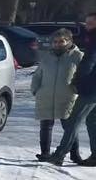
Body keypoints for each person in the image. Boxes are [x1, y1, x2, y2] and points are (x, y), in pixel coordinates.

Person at [45, 16, 96, 167]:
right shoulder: (90, 37)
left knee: (74, 120)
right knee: (92, 121)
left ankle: (59, 154)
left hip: (91, 87)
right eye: (86, 22)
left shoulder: (94, 39)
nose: (87, 25)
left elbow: (89, 62)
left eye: (91, 22)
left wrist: (78, 81)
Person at [31, 29, 85, 161]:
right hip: (46, 95)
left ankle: (74, 154)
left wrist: (77, 89)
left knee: (70, 127)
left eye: (61, 41)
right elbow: (38, 75)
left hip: (67, 96)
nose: (58, 44)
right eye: (55, 42)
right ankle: (45, 153)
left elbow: (83, 75)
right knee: (45, 126)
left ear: (69, 41)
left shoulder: (78, 56)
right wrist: (35, 89)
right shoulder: (47, 56)